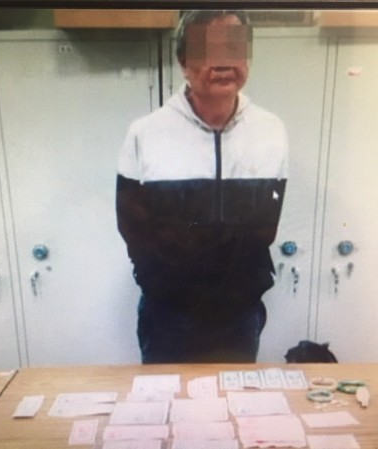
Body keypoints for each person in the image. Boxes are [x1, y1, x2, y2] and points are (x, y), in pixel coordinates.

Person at [116, 10, 289, 363]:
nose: (223, 63)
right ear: (183, 62)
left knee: (234, 396)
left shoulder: (270, 130)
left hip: (238, 317)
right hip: (168, 316)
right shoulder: (146, 133)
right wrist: (163, 286)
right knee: (166, 396)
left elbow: (266, 224)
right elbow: (131, 227)